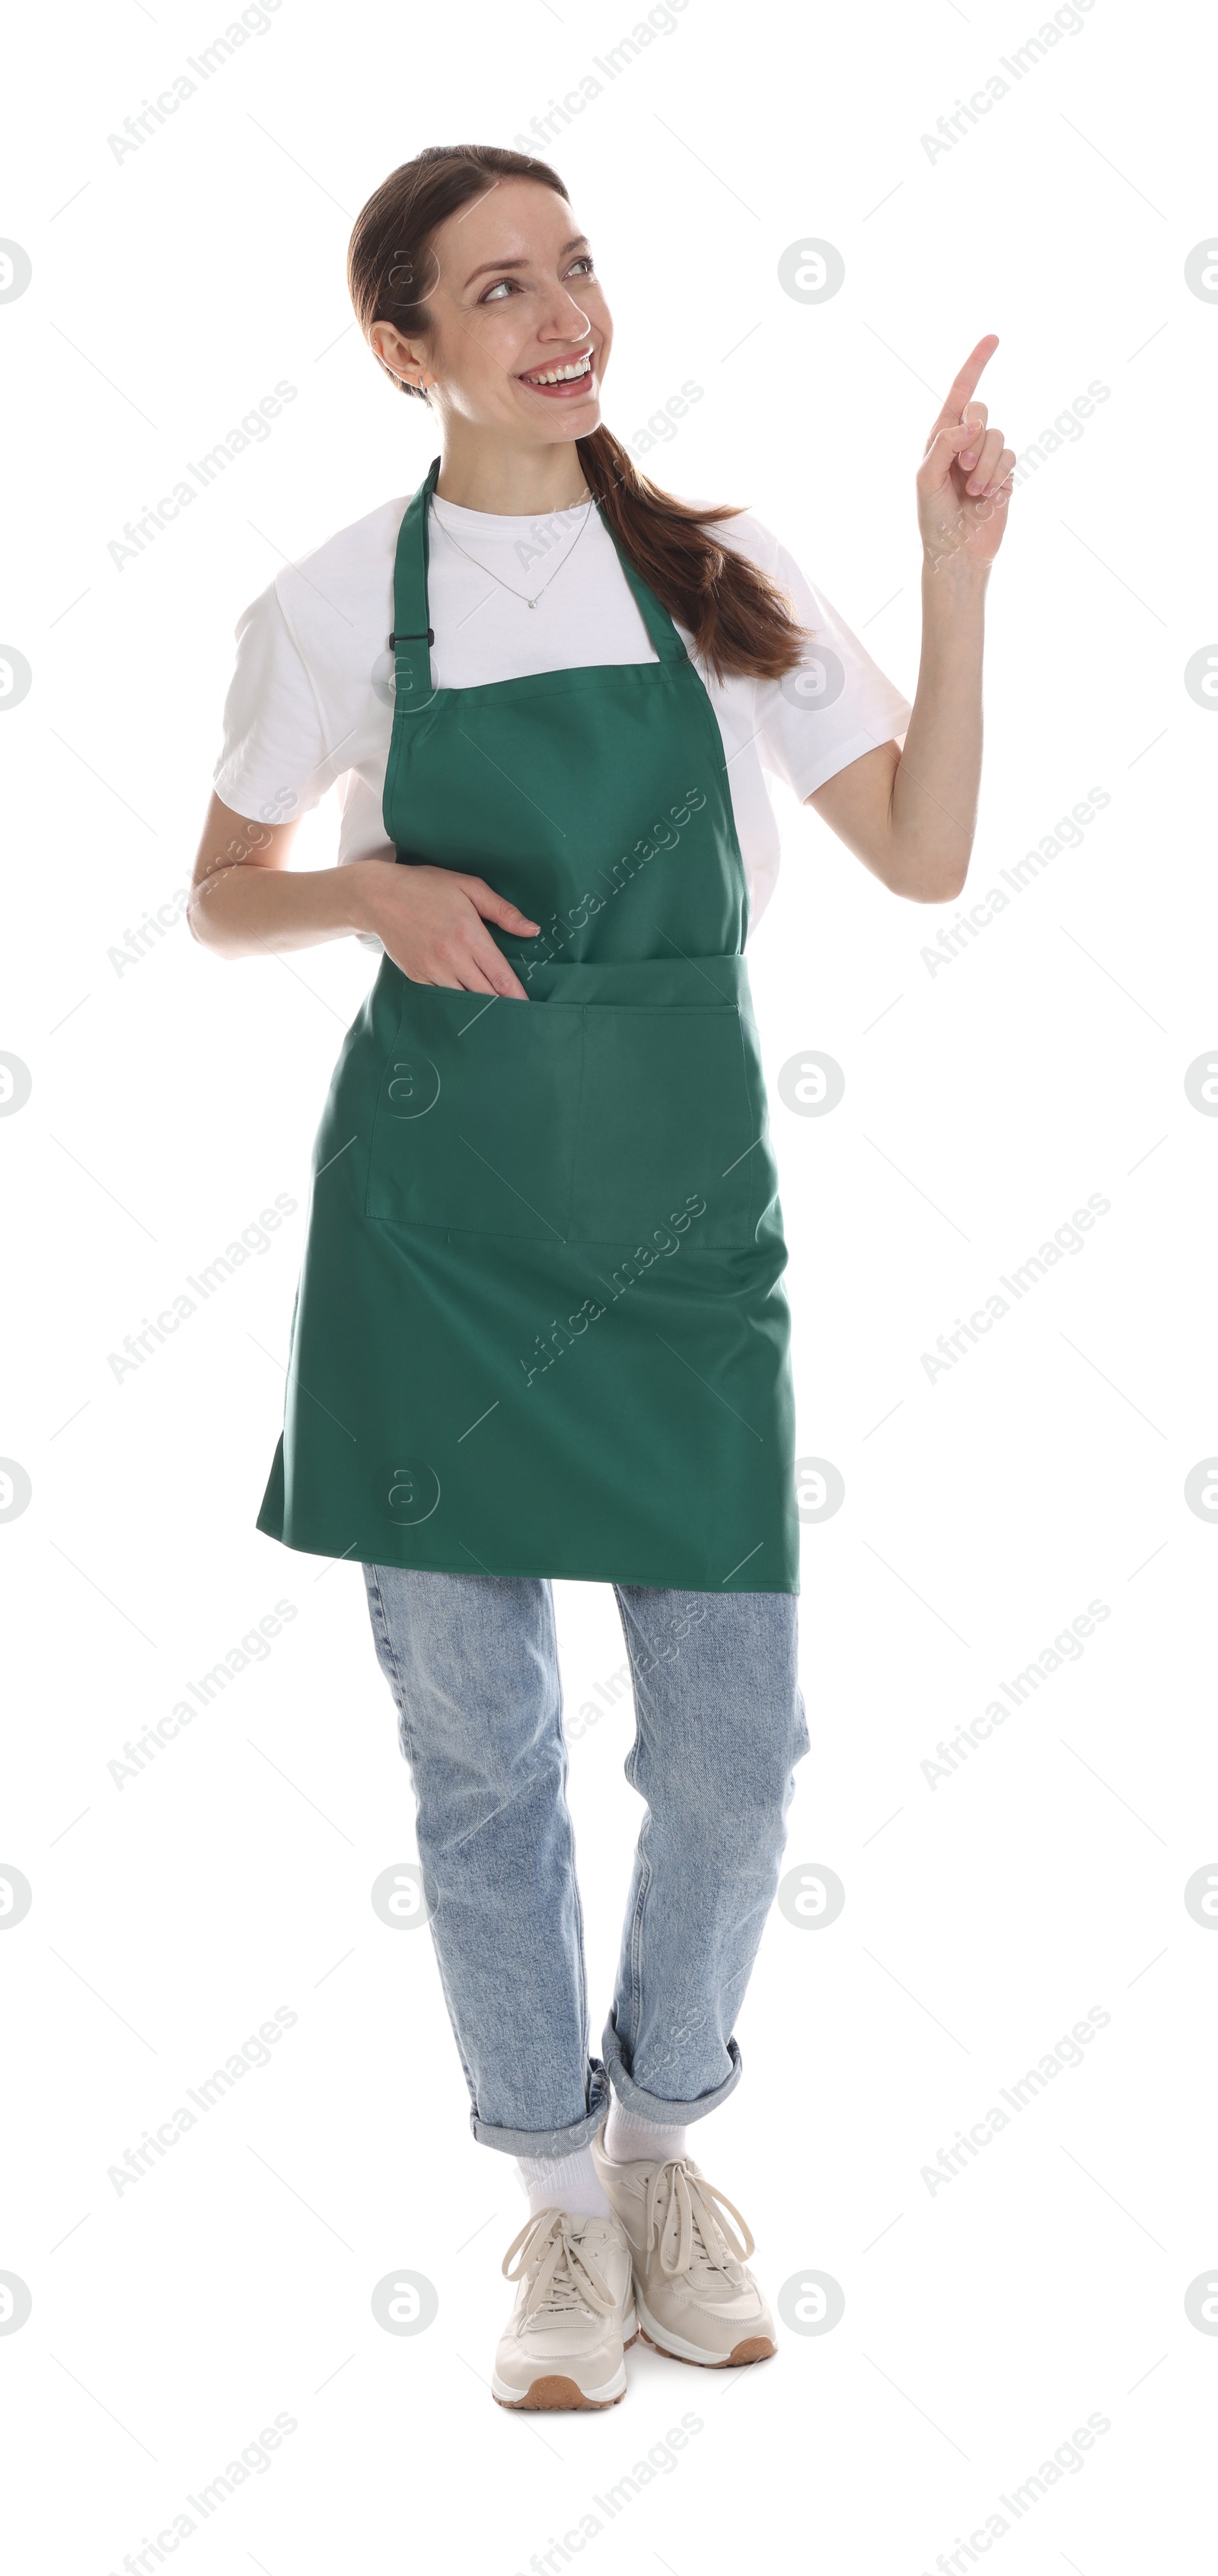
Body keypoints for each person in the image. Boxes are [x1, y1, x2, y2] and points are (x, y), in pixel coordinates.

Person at [189, 143, 1012, 2411]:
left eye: (574, 268)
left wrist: (953, 568)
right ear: (402, 350)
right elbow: (217, 889)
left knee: (738, 1752)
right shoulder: (346, 601)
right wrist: (366, 896)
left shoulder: (720, 569)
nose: (561, 316)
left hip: (676, 1249)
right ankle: (555, 2217)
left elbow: (923, 853)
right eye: (496, 289)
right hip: (429, 1255)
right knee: (484, 1762)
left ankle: (666, 2151)